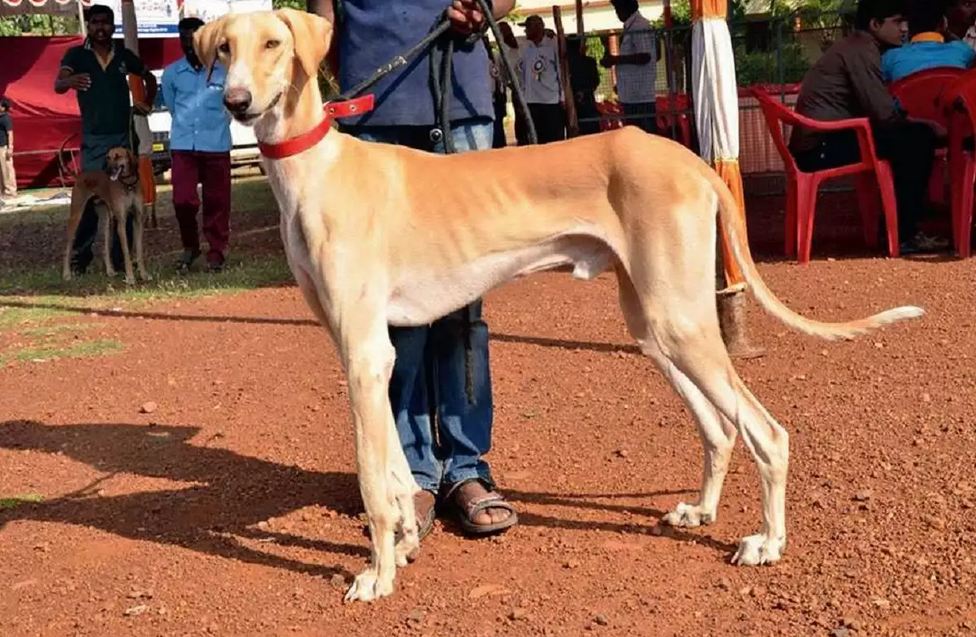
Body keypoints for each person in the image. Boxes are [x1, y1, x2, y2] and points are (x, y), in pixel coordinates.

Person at [309, 0, 519, 540]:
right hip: (370, 116)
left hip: (462, 99)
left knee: (463, 302)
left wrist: (482, 9)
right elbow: (321, 22)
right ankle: (411, 473)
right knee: (388, 313)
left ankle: (466, 466)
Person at [790, 0, 946, 255]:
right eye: (897, 22)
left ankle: (900, 226)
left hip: (827, 140)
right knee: (917, 141)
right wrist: (926, 125)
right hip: (821, 147)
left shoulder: (859, 47)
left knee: (912, 139)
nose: (904, 29)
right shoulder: (861, 50)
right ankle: (905, 234)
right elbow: (884, 114)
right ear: (875, 24)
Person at [54, 4, 157, 274]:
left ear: (113, 26)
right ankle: (79, 260)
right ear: (88, 26)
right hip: (95, 138)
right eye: (95, 22)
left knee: (125, 196)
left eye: (106, 22)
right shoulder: (76, 54)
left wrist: (147, 101)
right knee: (89, 200)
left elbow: (148, 76)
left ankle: (121, 260)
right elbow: (58, 83)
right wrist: (71, 80)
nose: (101, 27)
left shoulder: (123, 54)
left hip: (122, 136)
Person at [161, 17, 233, 273]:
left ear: (206, 39)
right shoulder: (172, 73)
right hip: (183, 146)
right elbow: (171, 105)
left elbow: (231, 108)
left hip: (216, 145)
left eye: (194, 38)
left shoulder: (226, 71)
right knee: (183, 201)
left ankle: (216, 251)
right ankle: (190, 247)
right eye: (184, 38)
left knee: (217, 202)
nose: (189, 44)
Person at [881, 0, 976, 82]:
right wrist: (946, 31)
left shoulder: (889, 58)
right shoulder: (963, 50)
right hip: (951, 102)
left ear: (908, 26)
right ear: (943, 23)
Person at [602, 0, 657, 134]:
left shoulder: (639, 26)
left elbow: (645, 56)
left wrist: (616, 60)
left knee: (643, 137)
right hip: (631, 95)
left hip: (639, 96)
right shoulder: (631, 27)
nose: (617, 13)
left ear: (624, 8)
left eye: (617, 9)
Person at [517, 14, 565, 144]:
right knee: (536, 141)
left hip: (550, 101)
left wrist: (563, 97)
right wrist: (522, 99)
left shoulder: (553, 44)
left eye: (528, 27)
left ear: (538, 27)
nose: (525, 30)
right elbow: (523, 76)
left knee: (553, 142)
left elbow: (561, 70)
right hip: (532, 102)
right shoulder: (526, 48)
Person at [567, 38, 602, 136]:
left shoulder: (569, 63)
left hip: (583, 97)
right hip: (581, 98)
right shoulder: (567, 64)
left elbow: (594, 80)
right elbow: (595, 81)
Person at [0, 97, 16, 204]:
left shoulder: (6, 118)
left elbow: (10, 133)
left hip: (4, 147)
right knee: (1, 171)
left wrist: (10, 147)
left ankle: (10, 192)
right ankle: (2, 193)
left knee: (7, 169)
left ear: (3, 107)